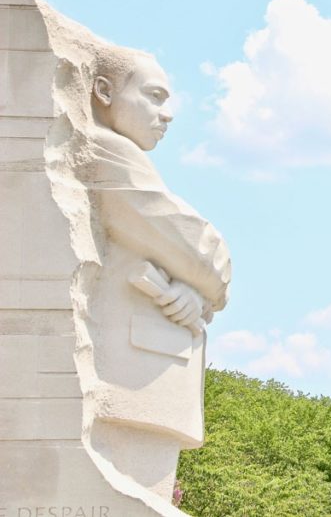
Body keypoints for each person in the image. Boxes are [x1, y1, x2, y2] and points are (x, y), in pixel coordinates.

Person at [78, 47, 230, 502]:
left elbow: (182, 261)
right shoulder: (106, 149)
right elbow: (198, 250)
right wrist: (209, 282)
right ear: (103, 92)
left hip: (143, 372)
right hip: (129, 378)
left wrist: (193, 295)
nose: (167, 115)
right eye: (154, 97)